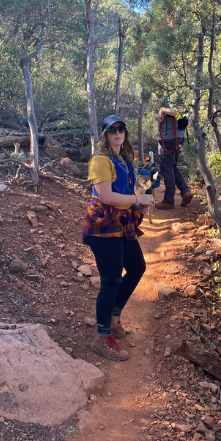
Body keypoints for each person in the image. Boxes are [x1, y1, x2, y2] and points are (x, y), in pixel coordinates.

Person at [82, 115, 155, 362]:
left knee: (136, 267)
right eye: (112, 129)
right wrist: (137, 200)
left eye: (121, 129)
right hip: (103, 224)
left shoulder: (124, 160)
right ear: (105, 134)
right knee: (111, 280)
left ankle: (113, 318)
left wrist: (139, 205)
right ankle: (101, 338)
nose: (117, 133)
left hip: (122, 222)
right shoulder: (100, 160)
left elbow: (127, 193)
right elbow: (107, 196)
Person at [156, 103, 193, 209]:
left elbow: (178, 113)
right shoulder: (183, 98)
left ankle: (168, 201)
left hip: (169, 139)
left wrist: (164, 111)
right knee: (172, 167)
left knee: (167, 169)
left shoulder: (178, 100)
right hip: (177, 138)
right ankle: (185, 191)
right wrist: (159, 115)